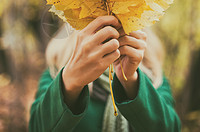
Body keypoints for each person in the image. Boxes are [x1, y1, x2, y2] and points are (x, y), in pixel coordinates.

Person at [29, 15, 181, 132]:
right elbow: (38, 126)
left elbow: (170, 127)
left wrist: (132, 81)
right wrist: (70, 83)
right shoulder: (58, 69)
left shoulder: (152, 73)